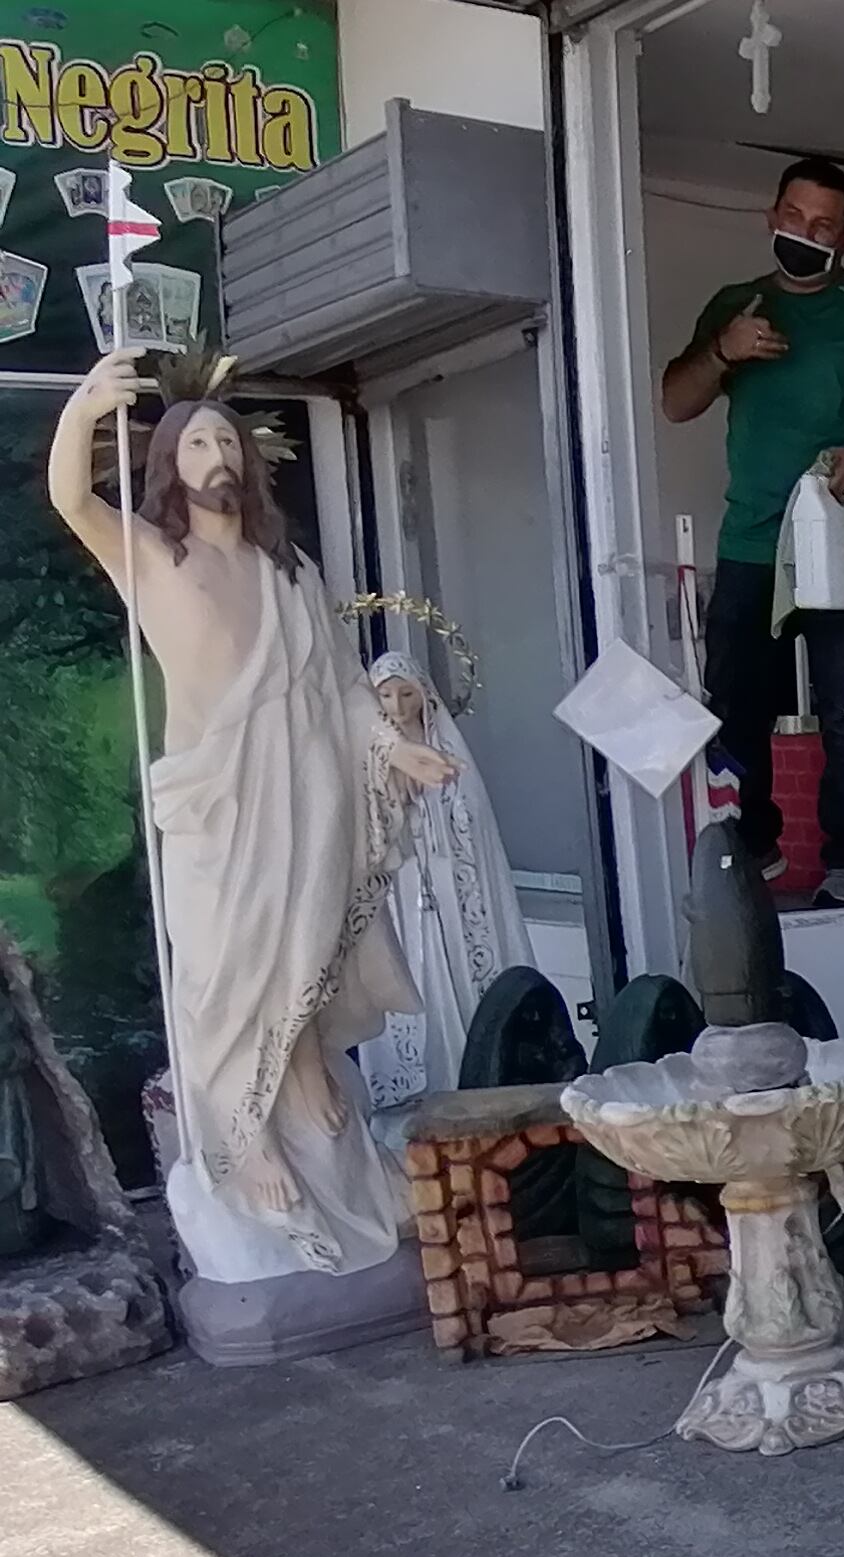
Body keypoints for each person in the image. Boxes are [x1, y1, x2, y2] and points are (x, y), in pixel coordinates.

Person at [47, 350, 455, 1281]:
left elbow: (344, 688)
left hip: (303, 792)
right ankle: (241, 1142)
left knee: (304, 950)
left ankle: (306, 1071)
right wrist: (83, 408)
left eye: (227, 439)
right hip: (217, 798)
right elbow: (73, 500)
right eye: (196, 442)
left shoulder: (291, 571)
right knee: (224, 971)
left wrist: (396, 749)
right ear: (169, 468)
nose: (216, 454)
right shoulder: (153, 555)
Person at [661, 157, 844, 908]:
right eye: (792, 216)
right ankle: (755, 850)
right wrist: (724, 350)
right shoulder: (736, 305)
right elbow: (675, 402)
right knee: (735, 701)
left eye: (821, 226)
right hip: (750, 537)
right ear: (770, 215)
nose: (802, 234)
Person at [355, 653, 536, 1110]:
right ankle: (410, 1080)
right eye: (386, 695)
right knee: (409, 968)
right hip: (402, 887)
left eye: (406, 693)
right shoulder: (369, 757)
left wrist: (442, 810)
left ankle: (469, 1063)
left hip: (452, 885)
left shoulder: (446, 749)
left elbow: (472, 819)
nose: (397, 705)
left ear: (423, 695)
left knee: (460, 964)